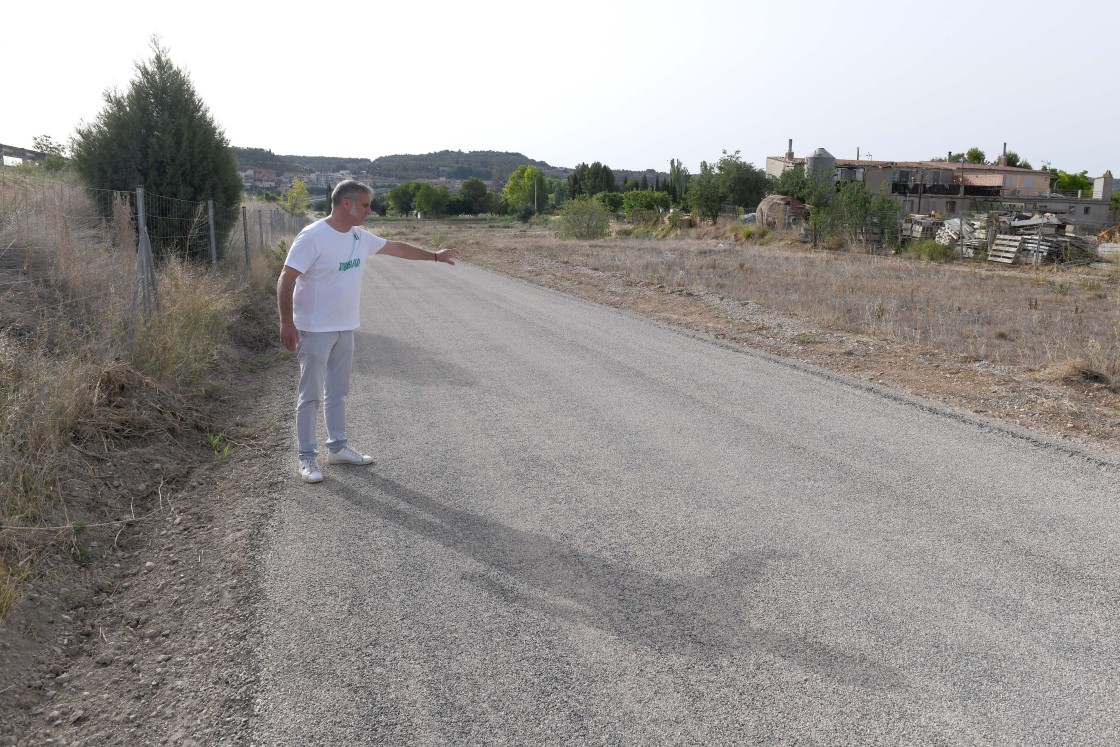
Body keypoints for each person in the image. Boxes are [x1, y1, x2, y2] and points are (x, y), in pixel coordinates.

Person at [277, 179, 459, 483]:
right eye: (365, 205)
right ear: (345, 204)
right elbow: (287, 277)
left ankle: (337, 448)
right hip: (314, 330)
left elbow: (397, 248)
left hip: (345, 328)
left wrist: (435, 256)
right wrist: (286, 321)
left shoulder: (360, 237)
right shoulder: (313, 237)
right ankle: (307, 459)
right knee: (309, 396)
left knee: (337, 392)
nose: (369, 210)